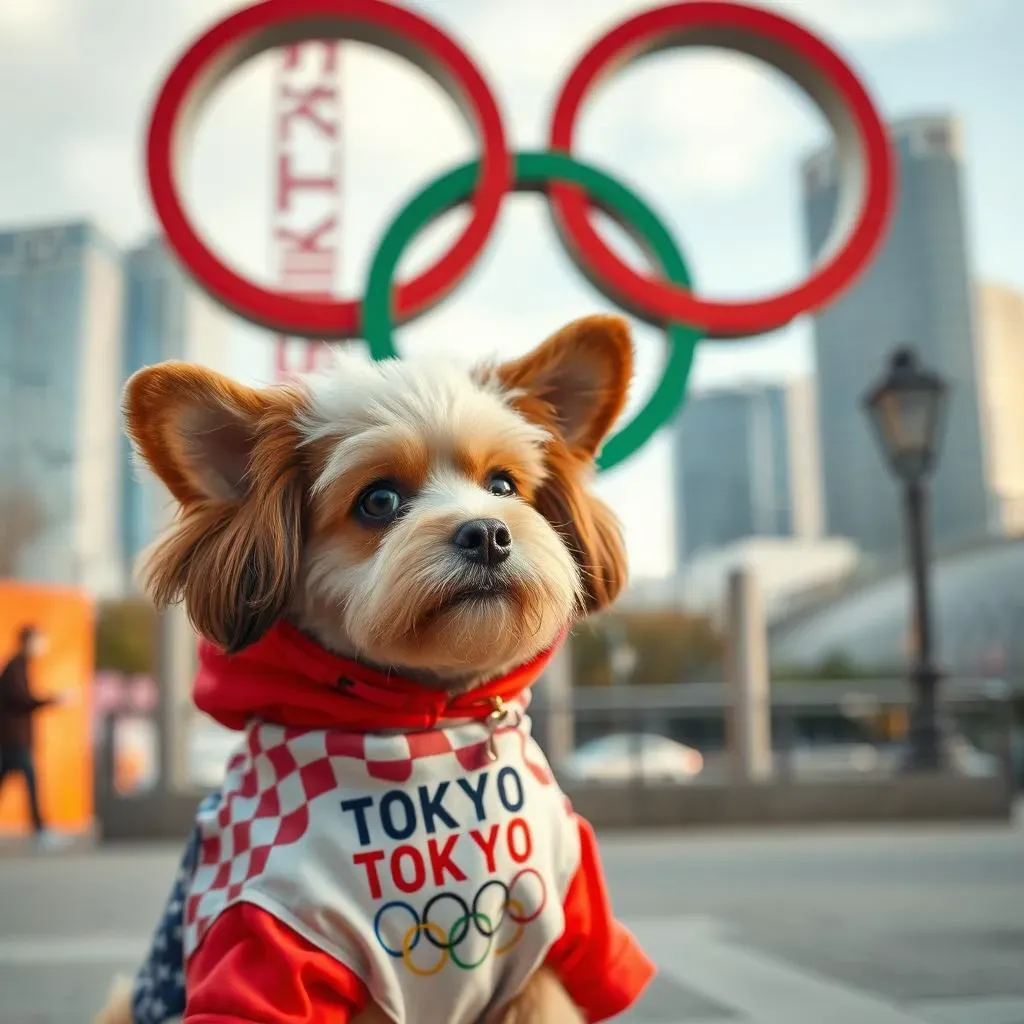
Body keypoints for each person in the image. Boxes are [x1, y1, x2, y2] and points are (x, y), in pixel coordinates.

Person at [0, 624, 67, 849]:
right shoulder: (14, 667)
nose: (42, 646)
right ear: (28, 642)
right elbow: (21, 699)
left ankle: (40, 830)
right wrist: (52, 699)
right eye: (39, 641)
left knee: (21, 780)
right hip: (13, 740)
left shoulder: (20, 666)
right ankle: (40, 831)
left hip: (15, 739)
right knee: (31, 781)